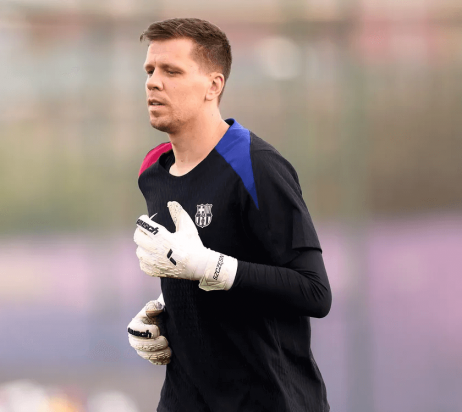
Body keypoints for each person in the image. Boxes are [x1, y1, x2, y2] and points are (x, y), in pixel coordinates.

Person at [126, 18, 332, 412]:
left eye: (172, 71)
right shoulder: (152, 171)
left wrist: (212, 268)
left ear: (213, 85)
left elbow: (314, 292)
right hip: (185, 399)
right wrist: (162, 314)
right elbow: (200, 268)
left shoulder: (257, 166)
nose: (153, 82)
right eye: (150, 71)